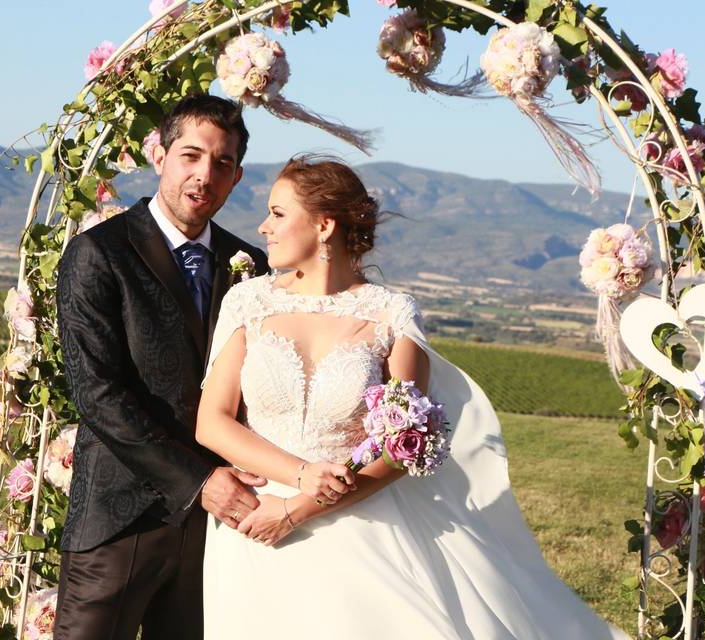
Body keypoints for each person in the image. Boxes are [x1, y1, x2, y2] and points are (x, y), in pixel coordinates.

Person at [196, 155, 630, 639]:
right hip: (254, 523)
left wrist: (299, 507)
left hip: (355, 520)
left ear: (323, 224)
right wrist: (296, 480)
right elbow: (212, 422)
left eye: (277, 214)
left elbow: (406, 445)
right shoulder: (248, 301)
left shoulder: (393, 313)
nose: (262, 227)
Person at [53, 94, 268, 640]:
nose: (204, 176)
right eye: (191, 156)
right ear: (160, 155)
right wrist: (198, 482)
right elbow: (98, 394)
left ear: (237, 176)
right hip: (121, 516)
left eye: (222, 164)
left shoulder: (252, 267)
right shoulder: (97, 254)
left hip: (219, 531)